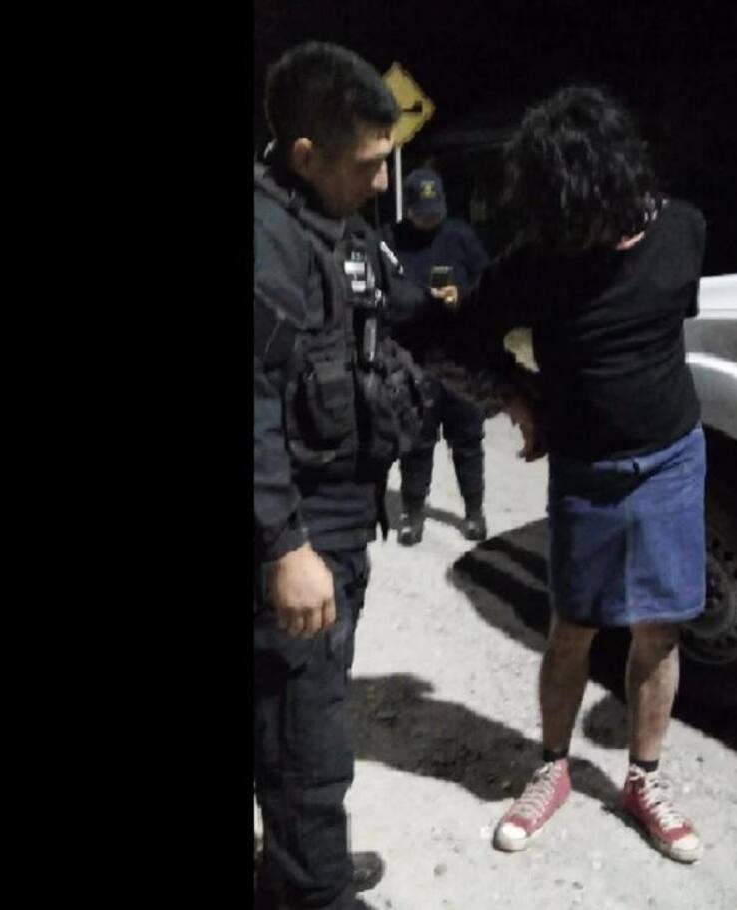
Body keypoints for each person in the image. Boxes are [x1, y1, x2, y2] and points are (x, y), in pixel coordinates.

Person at [432, 85, 708, 864]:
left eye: (570, 210)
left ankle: (641, 780)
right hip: (584, 473)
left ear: (611, 184)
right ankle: (552, 768)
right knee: (573, 627)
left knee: (659, 627)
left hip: (673, 462)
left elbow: (662, 329)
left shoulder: (683, 230)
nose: (560, 230)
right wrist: (516, 398)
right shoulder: (537, 262)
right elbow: (459, 341)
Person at [253, 41, 429, 909]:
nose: (381, 182)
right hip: (296, 527)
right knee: (304, 734)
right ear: (306, 157)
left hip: (340, 524)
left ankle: (294, 859)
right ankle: (310, 890)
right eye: (366, 165)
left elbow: (386, 330)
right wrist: (282, 542)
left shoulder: (334, 226)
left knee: (299, 716)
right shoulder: (265, 241)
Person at [382, 168, 491, 544]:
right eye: (422, 212)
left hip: (461, 357)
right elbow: (380, 297)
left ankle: (474, 511)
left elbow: (488, 284)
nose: (430, 219)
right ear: (408, 208)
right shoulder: (389, 241)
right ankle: (413, 514)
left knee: (468, 440)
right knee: (416, 442)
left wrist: (462, 297)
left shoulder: (460, 236)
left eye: (435, 210)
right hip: (413, 361)